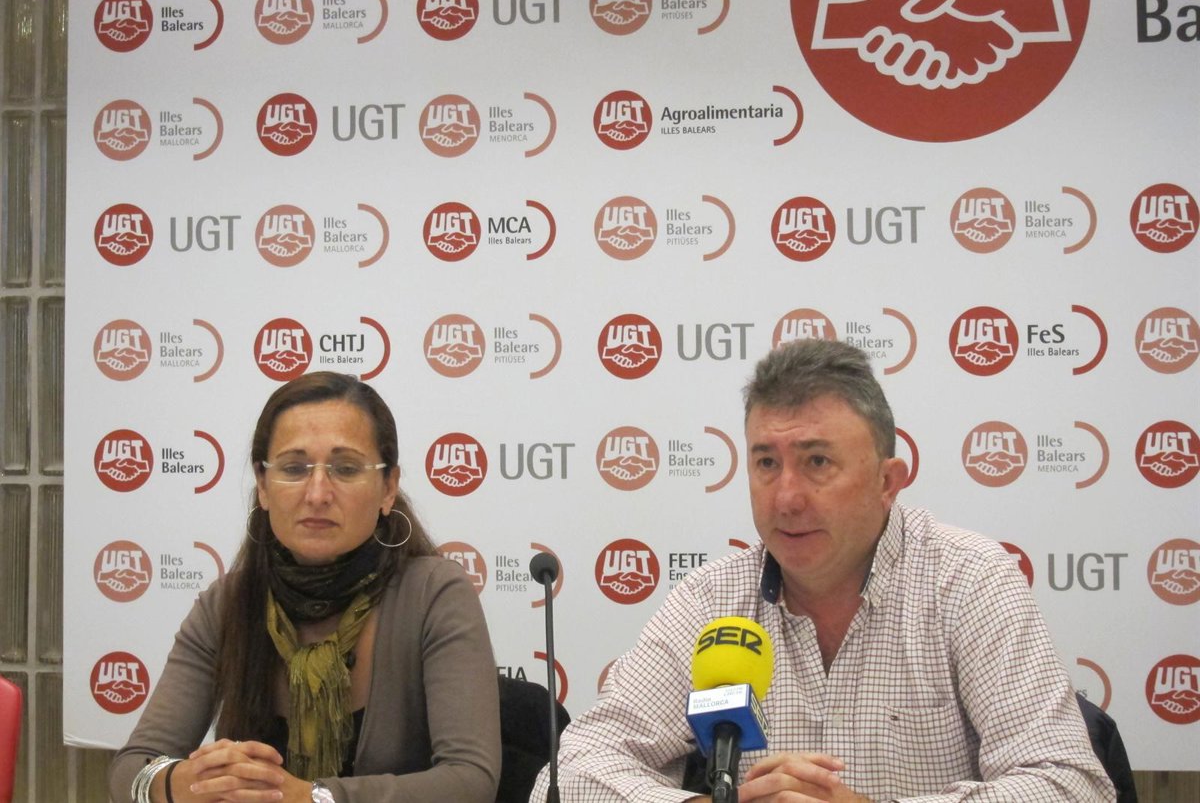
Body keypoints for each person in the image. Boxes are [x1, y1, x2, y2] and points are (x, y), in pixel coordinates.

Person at [533, 340, 1115, 802]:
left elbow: (1071, 786)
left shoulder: (968, 581)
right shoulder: (713, 599)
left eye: (817, 461)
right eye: (767, 462)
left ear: (887, 481)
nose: (786, 498)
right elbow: (569, 774)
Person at [109, 372, 501, 803]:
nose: (317, 493)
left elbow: (470, 781)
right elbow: (130, 767)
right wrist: (180, 782)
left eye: (345, 469)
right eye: (294, 469)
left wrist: (312, 798)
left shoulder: (434, 594)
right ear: (263, 485)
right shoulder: (226, 603)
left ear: (388, 488)